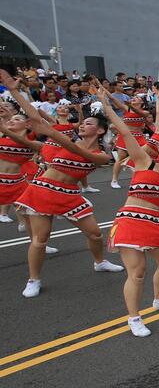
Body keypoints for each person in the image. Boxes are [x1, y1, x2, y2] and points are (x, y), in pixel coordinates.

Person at [7, 77, 123, 298]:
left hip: (69, 195)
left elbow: (81, 153)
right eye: (82, 122)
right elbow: (34, 117)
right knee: (40, 239)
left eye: (89, 123)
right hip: (43, 190)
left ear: (99, 131)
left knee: (96, 234)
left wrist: (54, 133)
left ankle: (100, 262)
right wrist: (16, 93)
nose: (83, 124)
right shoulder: (61, 140)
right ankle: (34, 279)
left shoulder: (102, 155)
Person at [99, 90, 159, 337]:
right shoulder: (142, 161)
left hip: (156, 223)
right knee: (137, 271)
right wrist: (107, 106)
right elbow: (126, 131)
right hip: (130, 219)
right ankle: (134, 317)